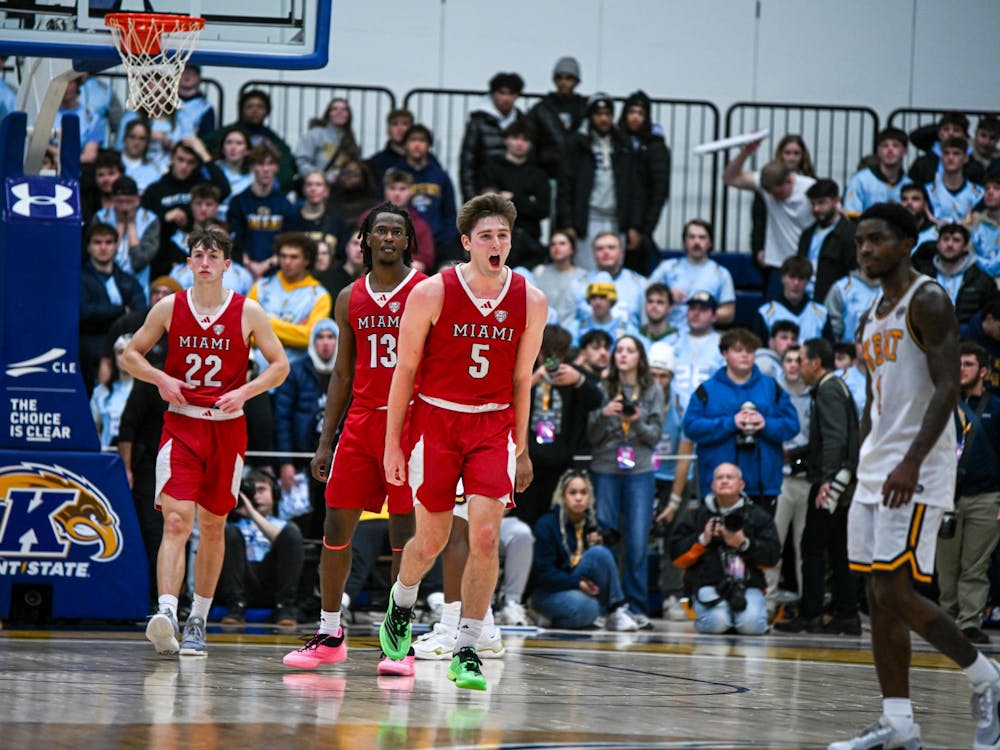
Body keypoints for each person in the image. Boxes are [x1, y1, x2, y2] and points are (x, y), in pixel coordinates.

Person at [827, 202, 1000, 750]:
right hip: (877, 467)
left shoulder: (927, 300)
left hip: (918, 467)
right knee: (877, 598)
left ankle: (987, 679)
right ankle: (898, 724)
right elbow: (874, 401)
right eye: (859, 243)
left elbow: (948, 388)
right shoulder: (869, 315)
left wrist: (909, 461)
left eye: (876, 240)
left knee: (894, 590)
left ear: (906, 243)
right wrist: (860, 464)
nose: (865, 250)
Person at [381, 193, 547, 691]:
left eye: (504, 236)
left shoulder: (531, 299)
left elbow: (522, 379)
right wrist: (393, 444)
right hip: (436, 422)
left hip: (492, 426)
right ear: (467, 243)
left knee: (485, 537)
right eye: (487, 236)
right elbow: (404, 371)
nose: (497, 244)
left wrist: (521, 446)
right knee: (430, 539)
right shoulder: (432, 292)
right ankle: (402, 601)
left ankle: (468, 646)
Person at [119, 225, 289, 658]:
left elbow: (280, 366)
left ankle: (199, 617)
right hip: (181, 425)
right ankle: (167, 613)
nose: (207, 262)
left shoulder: (247, 311)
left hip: (227, 428)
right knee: (176, 521)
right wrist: (159, 377)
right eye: (199, 255)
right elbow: (130, 354)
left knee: (213, 525)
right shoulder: (169, 307)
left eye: (214, 256)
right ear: (190, 262)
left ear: (227, 265)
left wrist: (245, 391)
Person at [282, 203, 426, 676]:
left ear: (407, 241)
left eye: (396, 232)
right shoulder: (348, 297)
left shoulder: (425, 290)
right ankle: (329, 633)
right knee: (334, 528)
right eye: (379, 230)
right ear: (365, 240)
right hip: (361, 423)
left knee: (404, 534)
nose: (387, 237)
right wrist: (326, 441)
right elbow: (342, 373)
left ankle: (397, 639)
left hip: (407, 425)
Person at [775, 338, 860, 635]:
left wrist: (827, 480)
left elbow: (836, 438)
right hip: (843, 482)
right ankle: (847, 613)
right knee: (838, 549)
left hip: (831, 484)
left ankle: (811, 613)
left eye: (801, 360)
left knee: (811, 546)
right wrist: (797, 456)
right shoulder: (835, 387)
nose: (797, 366)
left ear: (815, 363)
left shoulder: (827, 391)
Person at [586, 334, 664, 627]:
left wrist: (637, 419)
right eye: (619, 350)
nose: (623, 355)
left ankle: (637, 606)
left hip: (640, 469)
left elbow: (654, 436)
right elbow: (591, 436)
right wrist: (606, 415)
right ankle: (607, 604)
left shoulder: (652, 389)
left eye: (630, 350)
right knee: (605, 535)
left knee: (637, 540)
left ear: (639, 357)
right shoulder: (602, 387)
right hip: (605, 466)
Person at [682, 328, 800, 513]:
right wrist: (730, 423)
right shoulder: (707, 390)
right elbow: (690, 427)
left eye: (750, 351)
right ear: (725, 354)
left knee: (760, 541)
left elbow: (792, 425)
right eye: (738, 350)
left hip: (763, 486)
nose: (745, 355)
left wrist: (766, 424)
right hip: (719, 486)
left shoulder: (771, 387)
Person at [936, 342, 1000, 645]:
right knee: (945, 566)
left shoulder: (997, 408)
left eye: (969, 364)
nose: (961, 369)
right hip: (945, 496)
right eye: (958, 363)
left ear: (984, 371)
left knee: (975, 565)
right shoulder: (942, 405)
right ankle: (946, 618)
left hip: (986, 496)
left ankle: (970, 621)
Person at [670, 462, 781, 635]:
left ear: (741, 484)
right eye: (719, 477)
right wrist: (702, 540)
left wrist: (744, 544)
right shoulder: (697, 515)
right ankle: (724, 619)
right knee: (716, 623)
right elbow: (676, 556)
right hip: (708, 583)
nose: (724, 481)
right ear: (712, 485)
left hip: (748, 584)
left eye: (730, 477)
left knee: (751, 627)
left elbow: (772, 557)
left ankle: (737, 619)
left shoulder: (757, 516)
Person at [514, 324, 603, 528]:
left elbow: (597, 400)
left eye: (559, 355)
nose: (553, 362)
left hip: (562, 465)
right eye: (548, 355)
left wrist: (579, 380)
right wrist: (533, 380)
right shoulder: (524, 373)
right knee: (524, 524)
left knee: (555, 523)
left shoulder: (572, 373)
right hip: (527, 463)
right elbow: (507, 401)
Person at [531, 469, 640, 630]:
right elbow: (544, 575)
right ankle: (546, 616)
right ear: (562, 496)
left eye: (584, 492)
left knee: (600, 553)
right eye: (572, 493)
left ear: (590, 497)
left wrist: (601, 538)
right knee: (589, 608)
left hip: (578, 588)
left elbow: (614, 536)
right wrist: (578, 583)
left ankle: (616, 610)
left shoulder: (591, 522)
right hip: (549, 592)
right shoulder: (547, 525)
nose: (578, 498)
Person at [556, 93, 643, 273]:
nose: (603, 119)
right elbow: (565, 186)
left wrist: (634, 225)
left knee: (613, 267)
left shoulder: (624, 145)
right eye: (598, 114)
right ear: (590, 116)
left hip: (616, 218)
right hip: (587, 219)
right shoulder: (577, 144)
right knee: (584, 270)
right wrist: (568, 223)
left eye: (607, 114)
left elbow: (635, 188)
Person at [723, 136, 816, 299]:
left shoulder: (810, 187)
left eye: (779, 193)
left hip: (806, 263)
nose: (776, 198)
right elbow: (729, 178)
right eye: (771, 194)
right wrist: (746, 152)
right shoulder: (765, 184)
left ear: (789, 180)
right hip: (777, 265)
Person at [274, 318, 339, 538]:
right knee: (303, 519)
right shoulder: (296, 371)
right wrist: (286, 462)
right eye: (320, 337)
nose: (326, 343)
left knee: (334, 517)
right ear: (313, 341)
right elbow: (282, 420)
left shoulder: (348, 371)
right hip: (303, 457)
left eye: (331, 337)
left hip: (338, 457)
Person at [217, 469, 305, 627]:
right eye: (252, 492)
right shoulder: (233, 527)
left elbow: (285, 540)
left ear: (275, 494)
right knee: (228, 533)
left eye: (261, 490)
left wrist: (252, 513)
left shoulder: (283, 526)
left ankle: (284, 607)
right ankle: (236, 607)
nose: (256, 496)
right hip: (241, 578)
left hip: (271, 580)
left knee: (292, 533)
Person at [247, 232, 332, 366]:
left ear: (307, 260)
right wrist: (293, 333)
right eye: (283, 256)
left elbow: (311, 337)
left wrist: (264, 325)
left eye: (294, 257)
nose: (287, 262)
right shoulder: (261, 287)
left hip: (296, 374)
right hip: (259, 372)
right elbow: (244, 332)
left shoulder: (320, 296)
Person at [80, 222, 146, 394]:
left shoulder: (128, 280)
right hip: (89, 353)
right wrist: (120, 311)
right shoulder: (79, 278)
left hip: (125, 352)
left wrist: (103, 314)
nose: (103, 247)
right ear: (88, 247)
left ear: (116, 246)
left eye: (109, 242)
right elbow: (83, 312)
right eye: (97, 242)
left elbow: (140, 314)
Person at [477, 120, 550, 267]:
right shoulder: (491, 167)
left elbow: (543, 210)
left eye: (525, 139)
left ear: (531, 144)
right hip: (495, 239)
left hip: (529, 241)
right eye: (516, 138)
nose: (520, 143)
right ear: (506, 140)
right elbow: (488, 204)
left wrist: (512, 197)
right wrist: (528, 201)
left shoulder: (538, 174)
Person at [647, 218, 736, 329]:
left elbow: (729, 313)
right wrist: (667, 295)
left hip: (702, 336)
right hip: (668, 333)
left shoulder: (721, 274)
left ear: (710, 243)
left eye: (702, 237)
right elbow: (645, 295)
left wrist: (704, 314)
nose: (696, 242)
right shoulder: (667, 267)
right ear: (685, 241)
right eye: (691, 237)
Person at [618, 89, 670, 274]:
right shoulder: (617, 142)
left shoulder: (656, 146)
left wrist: (644, 229)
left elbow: (659, 191)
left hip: (640, 224)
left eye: (640, 113)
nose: (635, 118)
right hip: (615, 219)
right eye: (631, 112)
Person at [227, 143, 295, 278]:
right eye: (260, 164)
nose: (266, 169)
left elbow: (290, 241)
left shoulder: (285, 204)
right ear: (252, 167)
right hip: (242, 269)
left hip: (277, 269)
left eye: (270, 164)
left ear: (276, 168)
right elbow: (234, 240)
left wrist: (266, 265)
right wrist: (249, 264)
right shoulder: (239, 202)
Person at [912, 223, 999, 326]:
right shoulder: (922, 275)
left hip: (965, 339)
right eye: (945, 239)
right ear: (938, 245)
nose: (950, 244)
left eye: (956, 240)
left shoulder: (981, 280)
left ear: (966, 247)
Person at [459, 72, 525, 203]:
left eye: (511, 93)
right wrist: (470, 199)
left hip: (515, 194)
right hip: (484, 190)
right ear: (492, 94)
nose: (506, 98)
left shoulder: (523, 121)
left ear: (517, 95)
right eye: (502, 93)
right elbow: (467, 163)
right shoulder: (477, 122)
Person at [751, 135, 816, 264]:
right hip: (776, 249)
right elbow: (759, 219)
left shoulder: (811, 183)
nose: (792, 158)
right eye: (787, 153)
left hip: (804, 247)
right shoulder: (767, 180)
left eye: (796, 153)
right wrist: (759, 248)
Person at [400, 124, 458, 266]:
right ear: (405, 145)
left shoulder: (440, 175)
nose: (417, 145)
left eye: (422, 140)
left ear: (429, 145)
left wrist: (446, 238)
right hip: (407, 243)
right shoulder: (397, 174)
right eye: (413, 140)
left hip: (438, 240)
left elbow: (450, 211)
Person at [528, 56, 588, 181]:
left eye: (569, 78)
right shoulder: (541, 108)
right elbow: (530, 141)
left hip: (578, 172)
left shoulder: (585, 107)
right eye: (559, 77)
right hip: (547, 172)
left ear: (576, 81)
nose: (563, 82)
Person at [796, 178, 856, 302]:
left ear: (836, 201)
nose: (816, 209)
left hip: (834, 302)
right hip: (806, 301)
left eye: (821, 203)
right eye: (813, 204)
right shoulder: (807, 234)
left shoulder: (850, 234)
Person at [753, 256, 831, 343]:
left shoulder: (821, 314)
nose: (796, 283)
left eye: (801, 278)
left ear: (808, 281)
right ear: (782, 278)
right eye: (792, 277)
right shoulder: (765, 313)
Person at [843, 128, 912, 219]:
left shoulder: (909, 184)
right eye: (885, 146)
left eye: (895, 146)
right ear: (878, 151)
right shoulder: (860, 180)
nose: (890, 150)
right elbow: (851, 217)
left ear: (905, 151)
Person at [294, 97, 361, 184]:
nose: (339, 112)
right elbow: (302, 162)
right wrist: (320, 177)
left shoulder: (350, 141)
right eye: (334, 109)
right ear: (328, 114)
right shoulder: (315, 134)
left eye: (344, 110)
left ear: (348, 115)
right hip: (316, 187)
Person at [530, 231, 589, 330]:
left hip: (570, 331)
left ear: (572, 249)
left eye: (562, 243)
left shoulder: (583, 276)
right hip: (541, 329)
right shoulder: (539, 272)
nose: (557, 247)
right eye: (553, 244)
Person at [925, 137, 984, 225]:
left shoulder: (979, 193)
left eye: (956, 154)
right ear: (941, 158)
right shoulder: (928, 191)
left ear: (965, 158)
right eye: (946, 153)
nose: (950, 158)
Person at [366, 108, 414, 186]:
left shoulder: (427, 159)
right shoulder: (376, 162)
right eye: (395, 124)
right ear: (388, 129)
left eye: (405, 124)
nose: (400, 128)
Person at [970, 173, 1000, 277]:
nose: (990, 192)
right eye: (987, 189)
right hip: (980, 283)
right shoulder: (976, 225)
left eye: (996, 188)